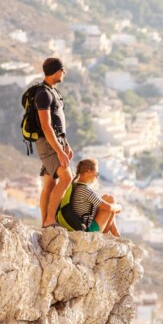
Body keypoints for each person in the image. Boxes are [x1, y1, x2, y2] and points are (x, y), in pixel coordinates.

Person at [36, 57, 74, 228]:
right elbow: (46, 125)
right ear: (56, 71)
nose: (64, 73)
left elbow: (58, 124)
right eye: (62, 69)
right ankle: (50, 219)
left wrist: (65, 145)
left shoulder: (53, 92)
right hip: (48, 142)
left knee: (50, 182)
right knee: (67, 177)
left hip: (55, 141)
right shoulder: (43, 93)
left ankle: (45, 222)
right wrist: (59, 150)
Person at [70, 158, 122, 236]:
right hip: (89, 230)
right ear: (89, 172)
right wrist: (119, 207)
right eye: (97, 174)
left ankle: (116, 233)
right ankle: (115, 233)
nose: (97, 177)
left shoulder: (76, 186)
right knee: (111, 200)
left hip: (83, 223)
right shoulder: (85, 190)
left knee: (106, 197)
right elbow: (109, 208)